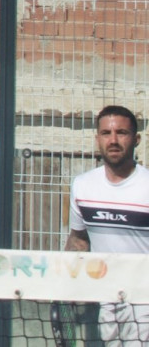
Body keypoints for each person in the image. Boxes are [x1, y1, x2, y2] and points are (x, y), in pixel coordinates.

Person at [66, 104, 149, 343]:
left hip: (144, 300)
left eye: (121, 133)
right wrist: (65, 284)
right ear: (98, 139)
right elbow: (79, 240)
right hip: (106, 299)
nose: (113, 140)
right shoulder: (82, 186)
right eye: (106, 133)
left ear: (136, 140)